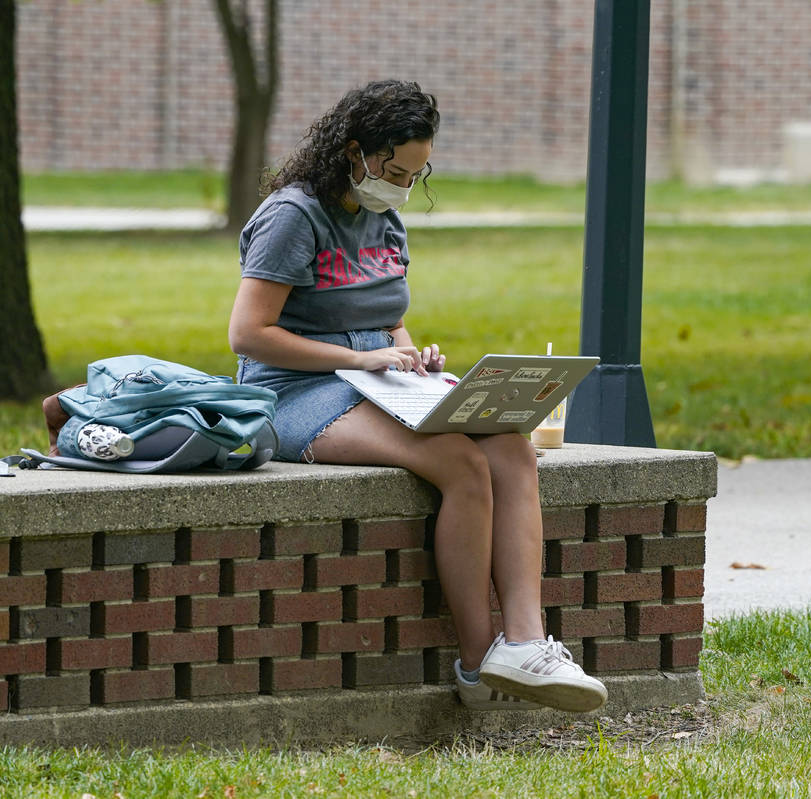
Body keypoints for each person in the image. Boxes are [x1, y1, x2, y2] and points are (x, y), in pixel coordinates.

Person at [227, 79, 607, 713]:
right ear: (352, 149)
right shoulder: (294, 215)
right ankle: (477, 663)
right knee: (458, 460)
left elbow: (388, 316)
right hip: (295, 392)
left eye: (414, 173)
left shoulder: (385, 219)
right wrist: (361, 356)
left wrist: (411, 353)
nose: (401, 186)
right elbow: (250, 334)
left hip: (379, 378)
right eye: (393, 169)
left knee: (510, 446)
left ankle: (527, 643)